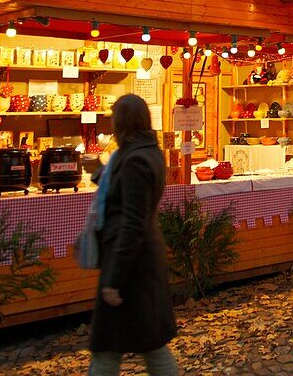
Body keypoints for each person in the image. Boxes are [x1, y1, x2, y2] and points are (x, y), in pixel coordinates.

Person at [89, 94, 178, 376]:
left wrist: (113, 280)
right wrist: (99, 173)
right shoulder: (144, 151)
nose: (111, 122)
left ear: (123, 121)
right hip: (139, 260)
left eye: (114, 116)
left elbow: (132, 222)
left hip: (132, 263)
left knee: (116, 347)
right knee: (149, 344)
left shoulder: (135, 159)